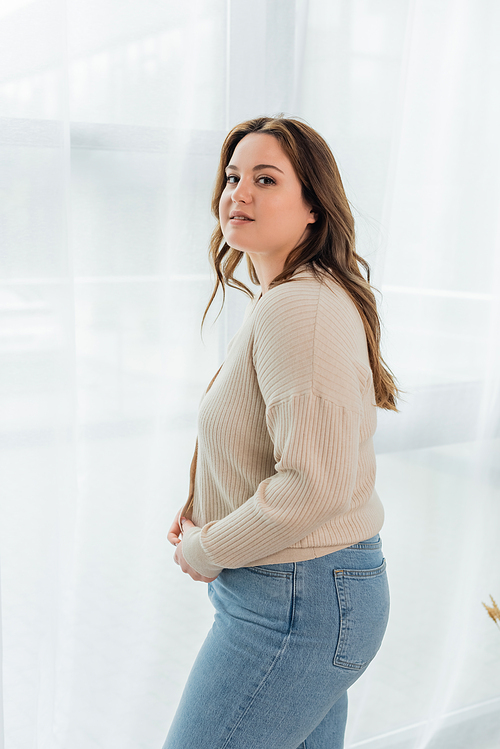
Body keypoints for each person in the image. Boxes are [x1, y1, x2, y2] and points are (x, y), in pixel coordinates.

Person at [163, 116, 397, 749]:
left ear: (313, 209)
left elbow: (314, 486)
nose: (239, 193)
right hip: (307, 596)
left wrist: (207, 548)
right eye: (234, 176)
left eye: (266, 179)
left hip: (296, 606)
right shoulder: (295, 297)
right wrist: (206, 508)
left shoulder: (301, 308)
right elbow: (282, 444)